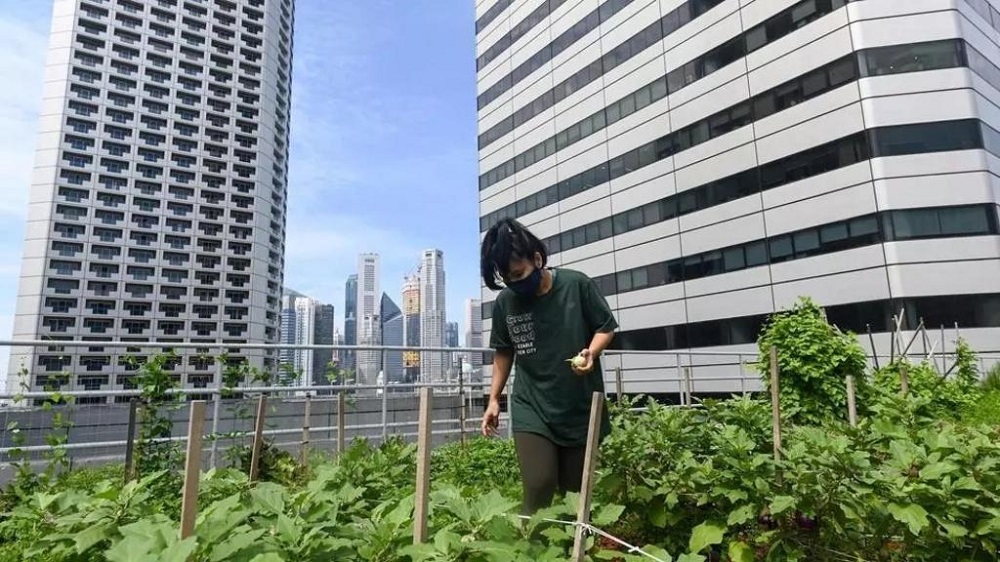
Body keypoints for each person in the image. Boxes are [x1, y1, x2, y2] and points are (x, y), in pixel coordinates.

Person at [479, 217, 619, 515]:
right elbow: (503, 353)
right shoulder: (506, 303)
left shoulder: (576, 284)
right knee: (539, 482)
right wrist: (494, 399)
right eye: (508, 279)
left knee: (575, 494)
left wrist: (591, 352)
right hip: (532, 405)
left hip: (578, 405)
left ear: (538, 259)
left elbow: (606, 327)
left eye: (519, 273)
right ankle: (529, 547)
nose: (515, 283)